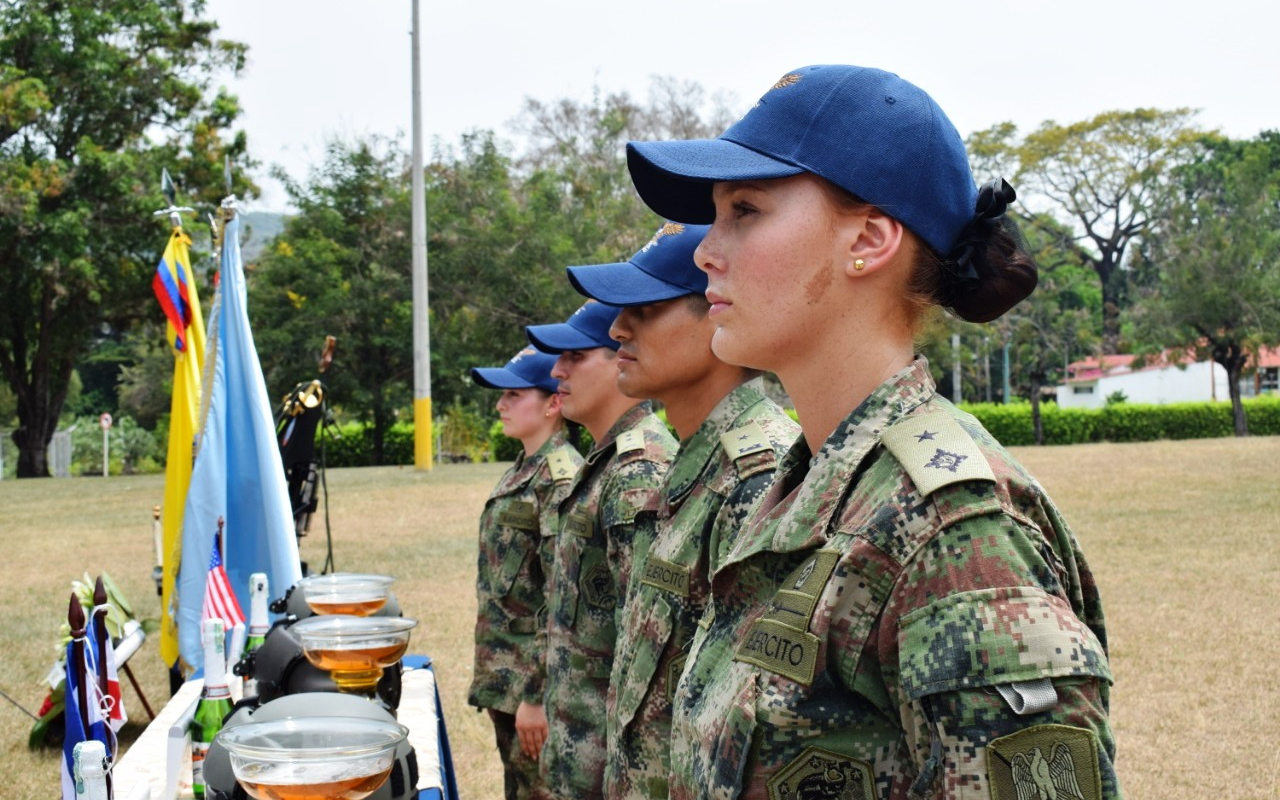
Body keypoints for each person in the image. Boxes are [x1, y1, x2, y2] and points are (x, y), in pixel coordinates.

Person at [625, 65, 1121, 800]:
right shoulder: (784, 496)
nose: (704, 251)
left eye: (747, 211)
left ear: (870, 239)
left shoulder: (956, 535)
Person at [565, 221, 800, 799]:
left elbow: (751, 728)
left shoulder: (760, 474)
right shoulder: (692, 463)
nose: (617, 328)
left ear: (716, 313)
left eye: (643, 309)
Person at [526, 300, 678, 800]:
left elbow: (649, 657)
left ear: (620, 358)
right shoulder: (607, 461)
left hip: (609, 766)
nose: (556, 371)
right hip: (581, 752)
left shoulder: (638, 471)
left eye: (574, 355)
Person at [466, 346, 585, 800]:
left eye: (513, 394)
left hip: (532, 691)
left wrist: (537, 696)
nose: (501, 404)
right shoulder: (524, 470)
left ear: (553, 403)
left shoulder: (560, 480)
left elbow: (561, 599)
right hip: (505, 680)